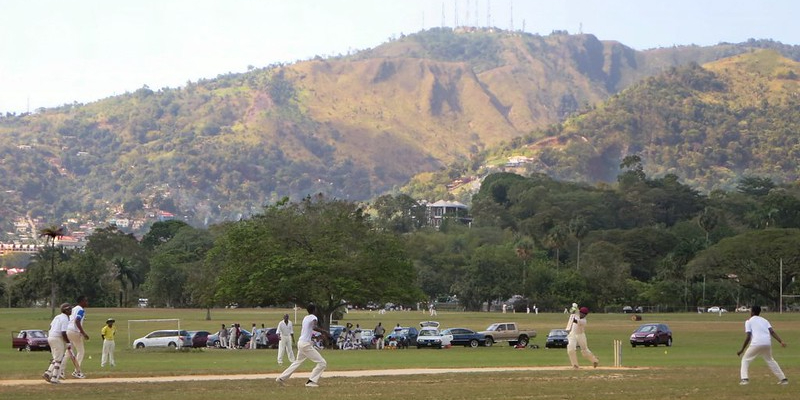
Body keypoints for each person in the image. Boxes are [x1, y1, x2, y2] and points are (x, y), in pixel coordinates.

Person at [276, 303, 330, 387]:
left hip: (301, 342)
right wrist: (324, 331)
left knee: (297, 362)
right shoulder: (313, 317)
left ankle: (281, 378)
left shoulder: (305, 318)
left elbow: (308, 330)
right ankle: (311, 381)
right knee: (322, 363)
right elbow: (314, 327)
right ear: (314, 310)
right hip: (305, 345)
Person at [736, 305, 788, 385]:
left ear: (752, 312)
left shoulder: (749, 321)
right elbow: (772, 332)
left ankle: (744, 379)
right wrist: (781, 341)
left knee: (745, 360)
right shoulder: (765, 320)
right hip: (767, 343)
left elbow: (748, 336)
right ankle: (783, 379)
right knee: (770, 360)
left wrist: (742, 350)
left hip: (756, 343)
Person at [43, 303, 72, 384]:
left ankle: (48, 373)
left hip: (50, 337)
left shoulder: (57, 317)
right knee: (59, 360)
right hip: (57, 338)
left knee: (56, 358)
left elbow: (50, 327)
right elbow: (63, 332)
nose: (71, 311)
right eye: (69, 309)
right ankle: (54, 379)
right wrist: (68, 342)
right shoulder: (65, 318)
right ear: (65, 310)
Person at [66, 295, 89, 378]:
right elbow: (77, 321)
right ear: (81, 301)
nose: (87, 303)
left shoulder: (73, 309)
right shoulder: (81, 310)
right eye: (85, 301)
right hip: (74, 332)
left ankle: (60, 371)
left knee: (68, 352)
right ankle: (77, 371)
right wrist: (83, 333)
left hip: (68, 330)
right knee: (81, 351)